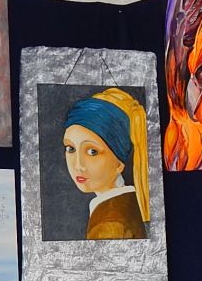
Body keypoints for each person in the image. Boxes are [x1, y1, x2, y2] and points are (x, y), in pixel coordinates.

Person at [62, 88, 151, 240]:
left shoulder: (110, 225)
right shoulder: (130, 204)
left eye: (92, 152)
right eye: (70, 149)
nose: (78, 165)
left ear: (119, 163)